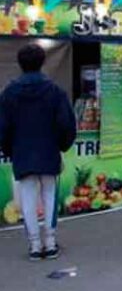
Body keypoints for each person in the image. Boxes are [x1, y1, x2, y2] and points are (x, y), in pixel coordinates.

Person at [0, 44, 76, 260]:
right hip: (49, 150)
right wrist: (61, 146)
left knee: (28, 198)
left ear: (20, 63)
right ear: (43, 62)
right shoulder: (54, 91)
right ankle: (50, 242)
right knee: (50, 194)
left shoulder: (9, 93)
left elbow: (3, 127)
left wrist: (9, 150)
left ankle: (34, 245)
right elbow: (66, 124)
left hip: (22, 153)